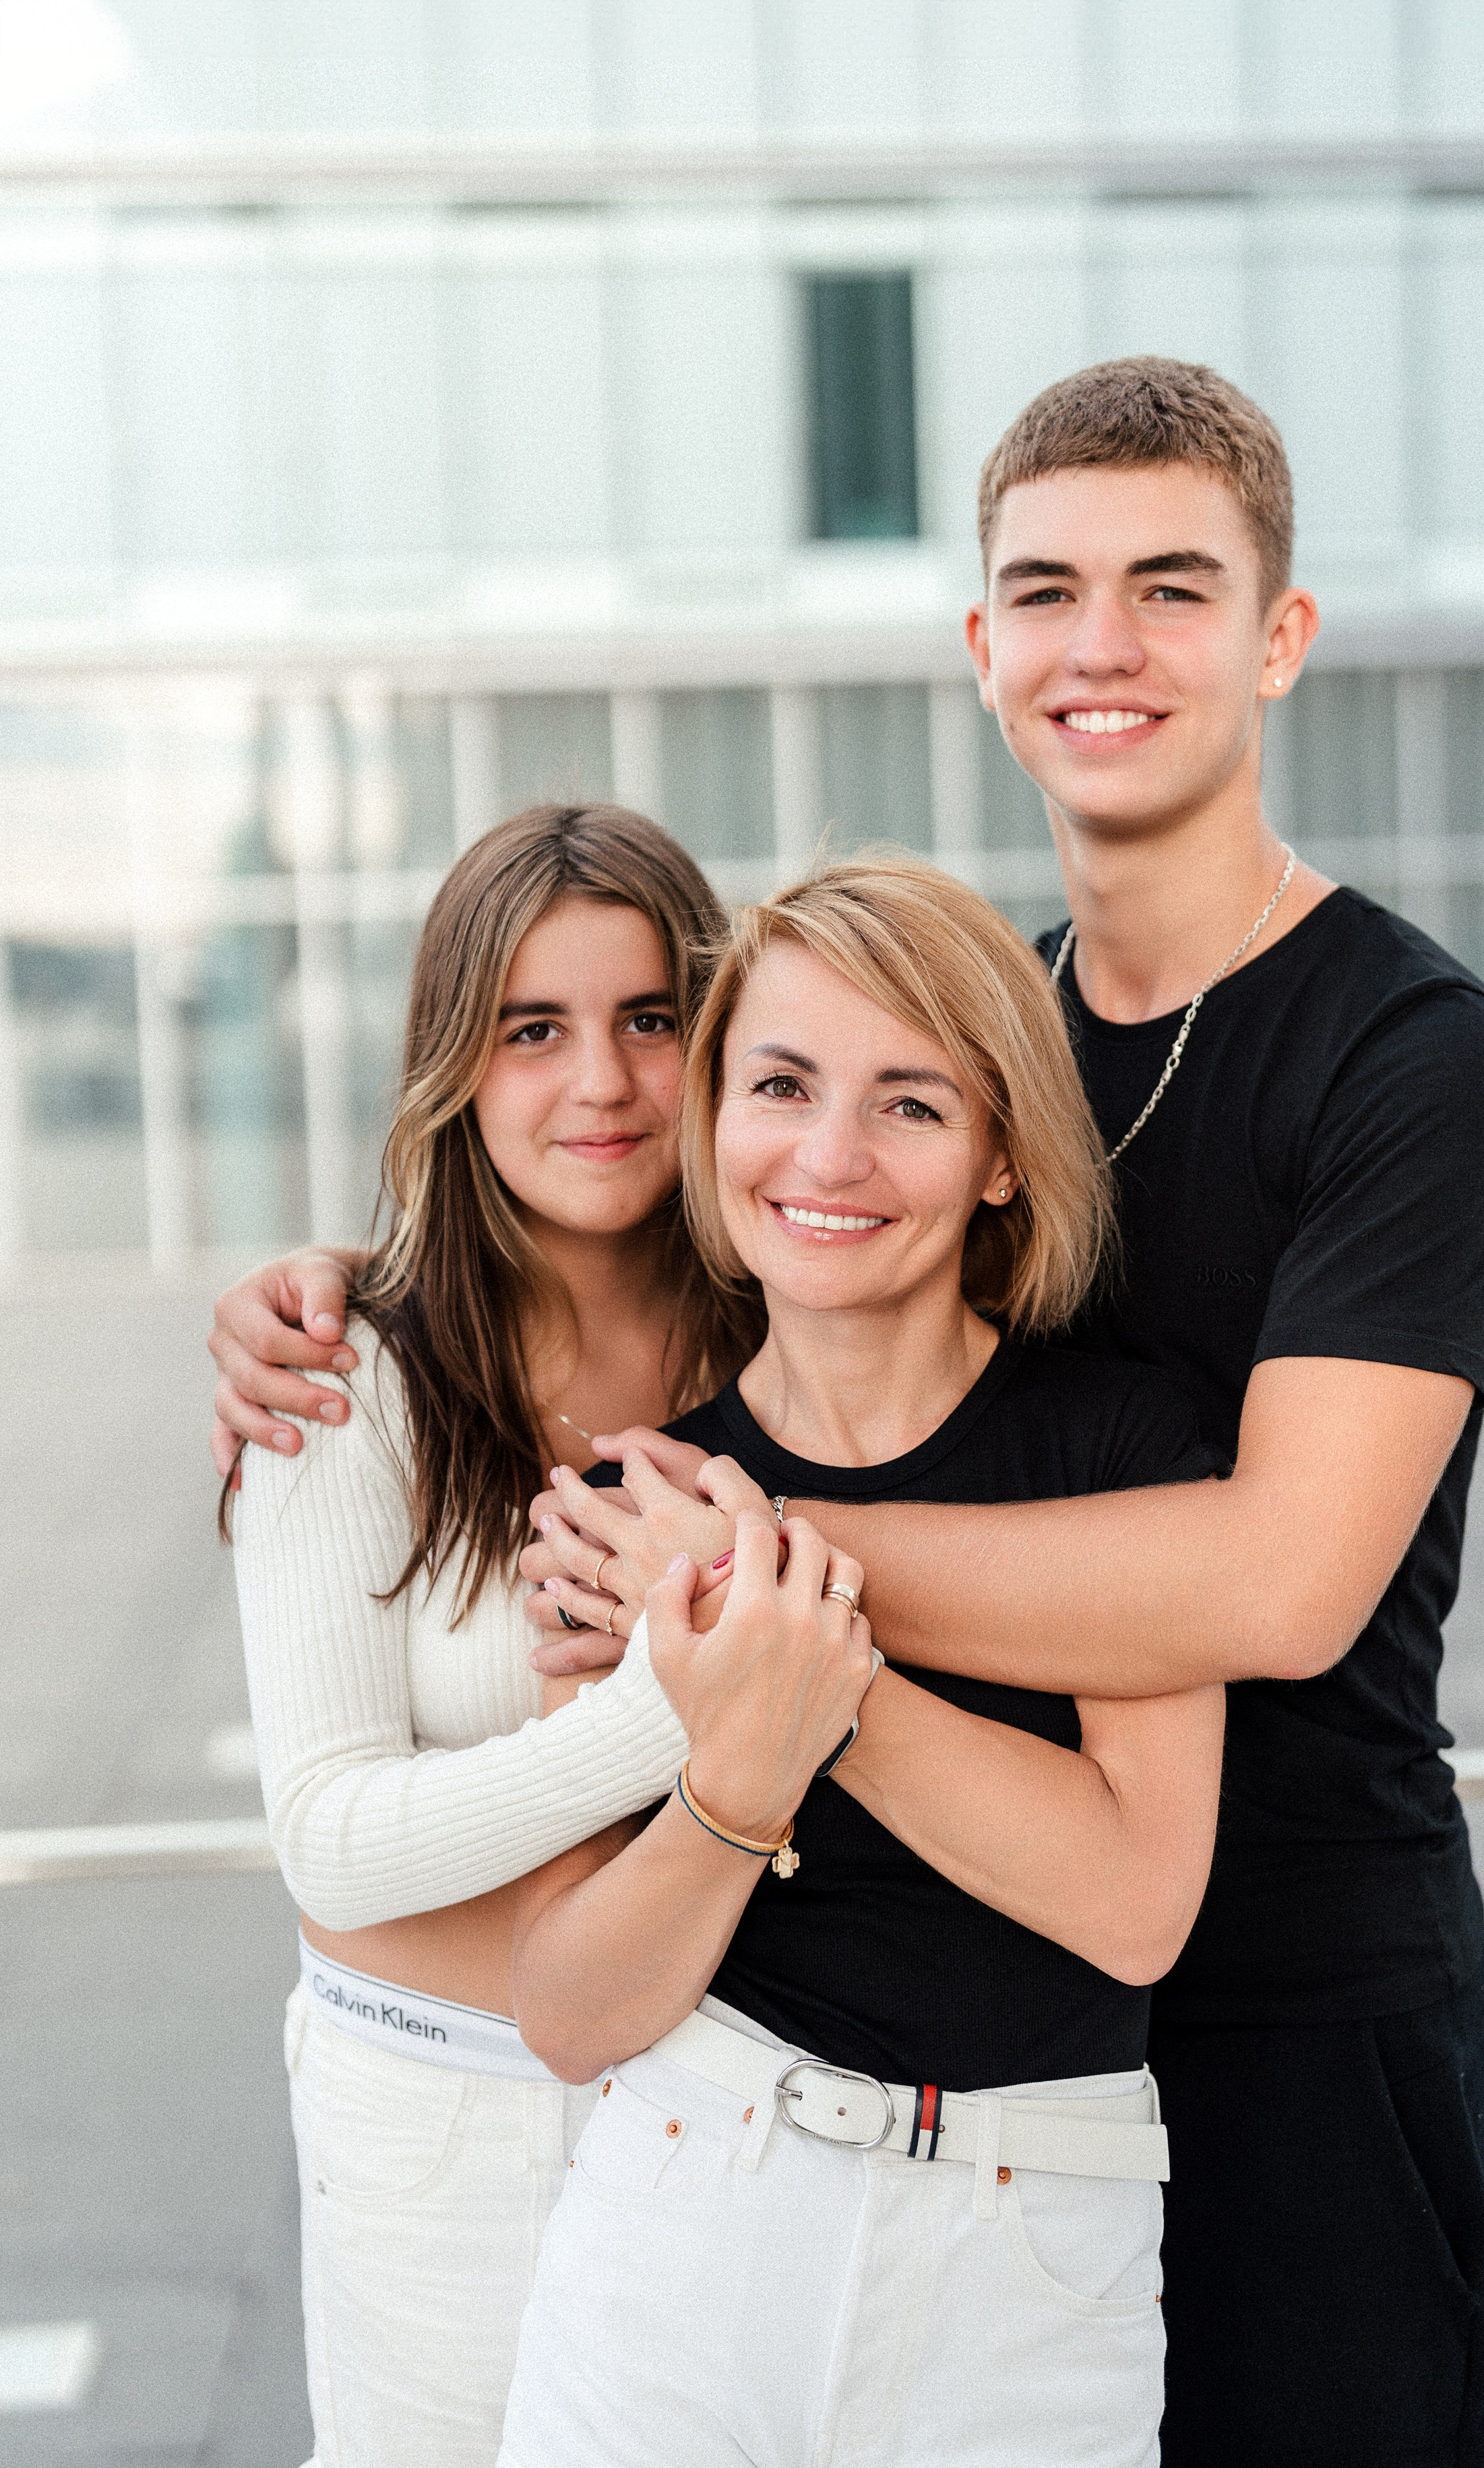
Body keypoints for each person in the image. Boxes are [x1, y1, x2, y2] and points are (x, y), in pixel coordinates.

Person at [213, 359, 1484, 2468]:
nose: (1103, 643)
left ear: (1281, 637)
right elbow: (643, 1208)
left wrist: (739, 1598)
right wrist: (332, 1300)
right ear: (985, 651)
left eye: (1172, 587)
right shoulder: (944, 1026)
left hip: (1297, 1991)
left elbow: (1282, 1584)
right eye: (1048, 591)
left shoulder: (1412, 1050)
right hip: (826, 2107)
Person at [495, 855, 1225, 2468]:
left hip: (1026, 2256)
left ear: (1000, 1158)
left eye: (908, 1103)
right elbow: (564, 2006)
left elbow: (1134, 1901)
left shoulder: (1125, 1450)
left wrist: (790, 1646)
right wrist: (737, 1779)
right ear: (711, 1129)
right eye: (778, 1084)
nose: (827, 1153)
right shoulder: (629, 1508)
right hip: (684, 2224)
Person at [227, 803, 758, 2468]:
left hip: (741, 2107)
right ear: (456, 1060)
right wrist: (663, 1713)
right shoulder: (344, 1372)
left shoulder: (801, 1346)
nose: (596, 1083)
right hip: (439, 2126)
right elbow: (330, 1840)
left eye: (647, 1021)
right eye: (534, 1029)